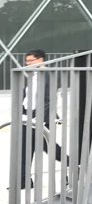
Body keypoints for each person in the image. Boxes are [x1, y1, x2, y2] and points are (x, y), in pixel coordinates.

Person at [19, 48, 62, 188]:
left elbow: (49, 99)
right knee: (25, 149)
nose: (27, 64)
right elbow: (27, 97)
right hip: (27, 116)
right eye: (26, 61)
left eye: (30, 61)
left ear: (40, 60)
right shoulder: (31, 75)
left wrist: (41, 119)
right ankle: (24, 181)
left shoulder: (49, 75)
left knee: (50, 148)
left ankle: (74, 165)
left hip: (42, 117)